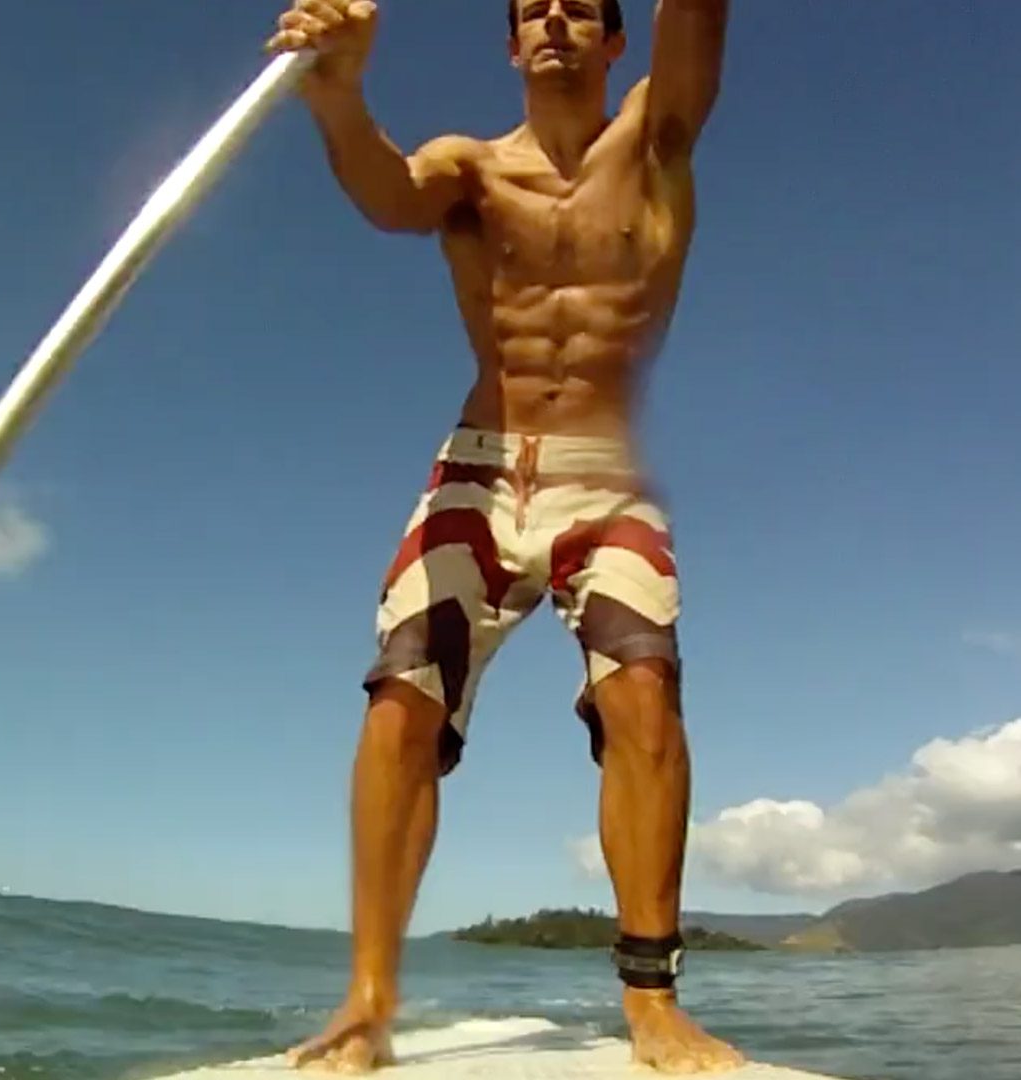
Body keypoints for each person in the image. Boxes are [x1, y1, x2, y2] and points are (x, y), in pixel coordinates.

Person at [265, 0, 741, 1073]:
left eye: (579, 8)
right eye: (532, 9)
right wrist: (337, 93)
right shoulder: (469, 170)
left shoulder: (656, 137)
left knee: (642, 690)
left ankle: (653, 1000)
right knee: (402, 697)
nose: (554, 20)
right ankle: (369, 998)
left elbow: (698, 27)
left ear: (615, 40)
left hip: (606, 473)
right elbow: (390, 196)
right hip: (482, 464)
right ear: (511, 42)